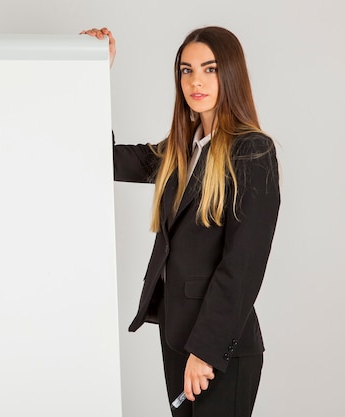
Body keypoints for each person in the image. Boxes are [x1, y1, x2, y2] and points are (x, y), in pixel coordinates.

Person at [81, 26, 280, 417]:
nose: (196, 80)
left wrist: (205, 352)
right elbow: (102, 158)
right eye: (186, 70)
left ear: (231, 75)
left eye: (209, 69)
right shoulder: (180, 150)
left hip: (218, 347)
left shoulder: (252, 150)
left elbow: (243, 265)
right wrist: (94, 72)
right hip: (176, 336)